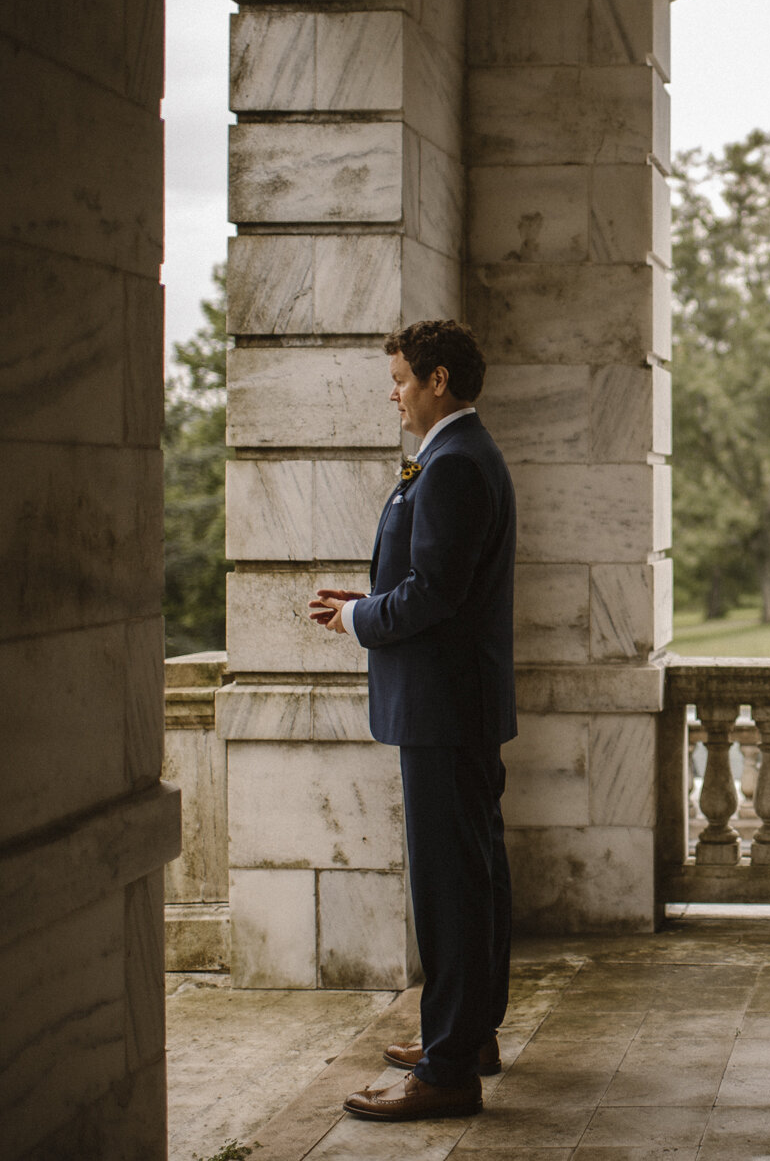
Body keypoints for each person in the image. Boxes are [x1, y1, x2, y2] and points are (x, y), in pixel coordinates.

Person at [306, 320, 518, 1122]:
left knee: (450, 886)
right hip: (455, 702)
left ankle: (448, 1066)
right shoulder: (460, 455)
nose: (391, 392)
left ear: (436, 378)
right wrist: (364, 603)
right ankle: (471, 1034)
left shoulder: (456, 462)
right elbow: (434, 583)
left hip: (443, 706)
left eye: (398, 378)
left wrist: (360, 620)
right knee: (476, 874)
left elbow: (434, 594)